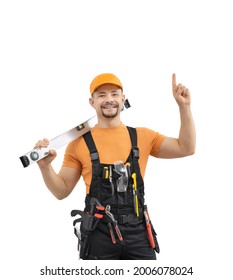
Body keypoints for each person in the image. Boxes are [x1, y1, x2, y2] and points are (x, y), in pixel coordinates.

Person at [34, 73, 196, 260]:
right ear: (92, 102)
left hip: (138, 234)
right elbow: (61, 191)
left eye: (114, 94)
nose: (109, 99)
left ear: (123, 99)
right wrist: (45, 167)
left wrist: (184, 107)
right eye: (101, 95)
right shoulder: (78, 143)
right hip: (97, 234)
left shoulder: (143, 136)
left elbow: (186, 147)